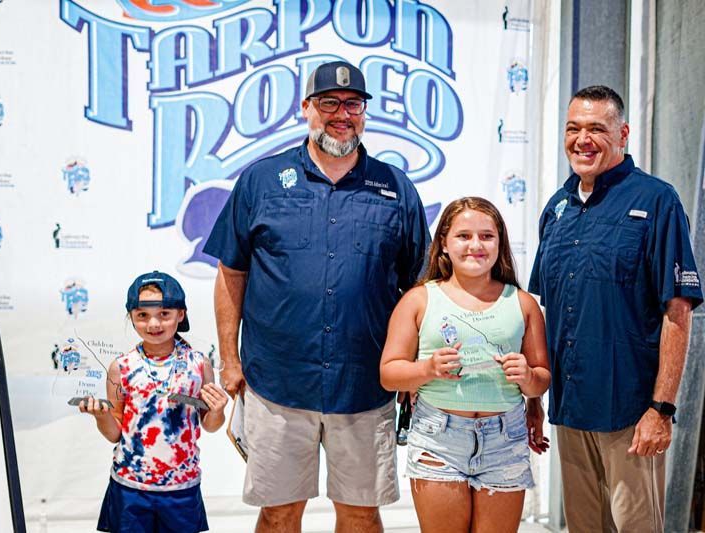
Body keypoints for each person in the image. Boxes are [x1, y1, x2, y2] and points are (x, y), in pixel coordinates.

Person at [203, 60, 430, 533]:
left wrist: (411, 366)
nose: (341, 113)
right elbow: (231, 272)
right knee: (279, 513)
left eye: (352, 104)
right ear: (306, 108)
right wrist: (230, 358)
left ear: (364, 113)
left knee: (362, 516)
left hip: (365, 384)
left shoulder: (395, 188)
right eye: (329, 103)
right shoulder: (261, 181)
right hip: (278, 382)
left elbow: (418, 289)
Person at [528, 85, 703, 532]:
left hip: (631, 416)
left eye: (596, 129)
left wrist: (661, 410)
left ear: (622, 134)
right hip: (570, 411)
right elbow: (542, 314)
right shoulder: (557, 209)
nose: (582, 139)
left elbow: (678, 312)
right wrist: (534, 399)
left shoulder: (656, 201)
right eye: (573, 128)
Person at [379, 197, 550, 533]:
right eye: (463, 236)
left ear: (500, 244)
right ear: (443, 243)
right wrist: (427, 369)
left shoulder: (522, 303)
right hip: (438, 442)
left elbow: (541, 379)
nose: (475, 245)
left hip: (505, 440)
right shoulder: (418, 300)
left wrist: (528, 376)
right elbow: (389, 374)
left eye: (487, 236)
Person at [79, 271, 228, 533]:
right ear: (131, 317)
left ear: (180, 314)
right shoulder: (121, 367)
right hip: (130, 488)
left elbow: (210, 425)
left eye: (164, 314)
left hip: (182, 487)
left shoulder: (198, 364)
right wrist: (101, 416)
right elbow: (116, 433)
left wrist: (217, 411)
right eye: (142, 316)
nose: (153, 323)